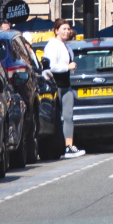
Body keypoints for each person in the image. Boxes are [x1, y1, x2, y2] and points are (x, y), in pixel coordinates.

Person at [42, 19, 83, 157]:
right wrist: (68, 67)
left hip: (66, 85)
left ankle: (69, 146)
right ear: (56, 30)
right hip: (56, 85)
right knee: (56, 118)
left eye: (68, 29)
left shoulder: (65, 45)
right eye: (64, 29)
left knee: (68, 117)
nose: (67, 31)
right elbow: (51, 66)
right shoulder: (53, 45)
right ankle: (55, 147)